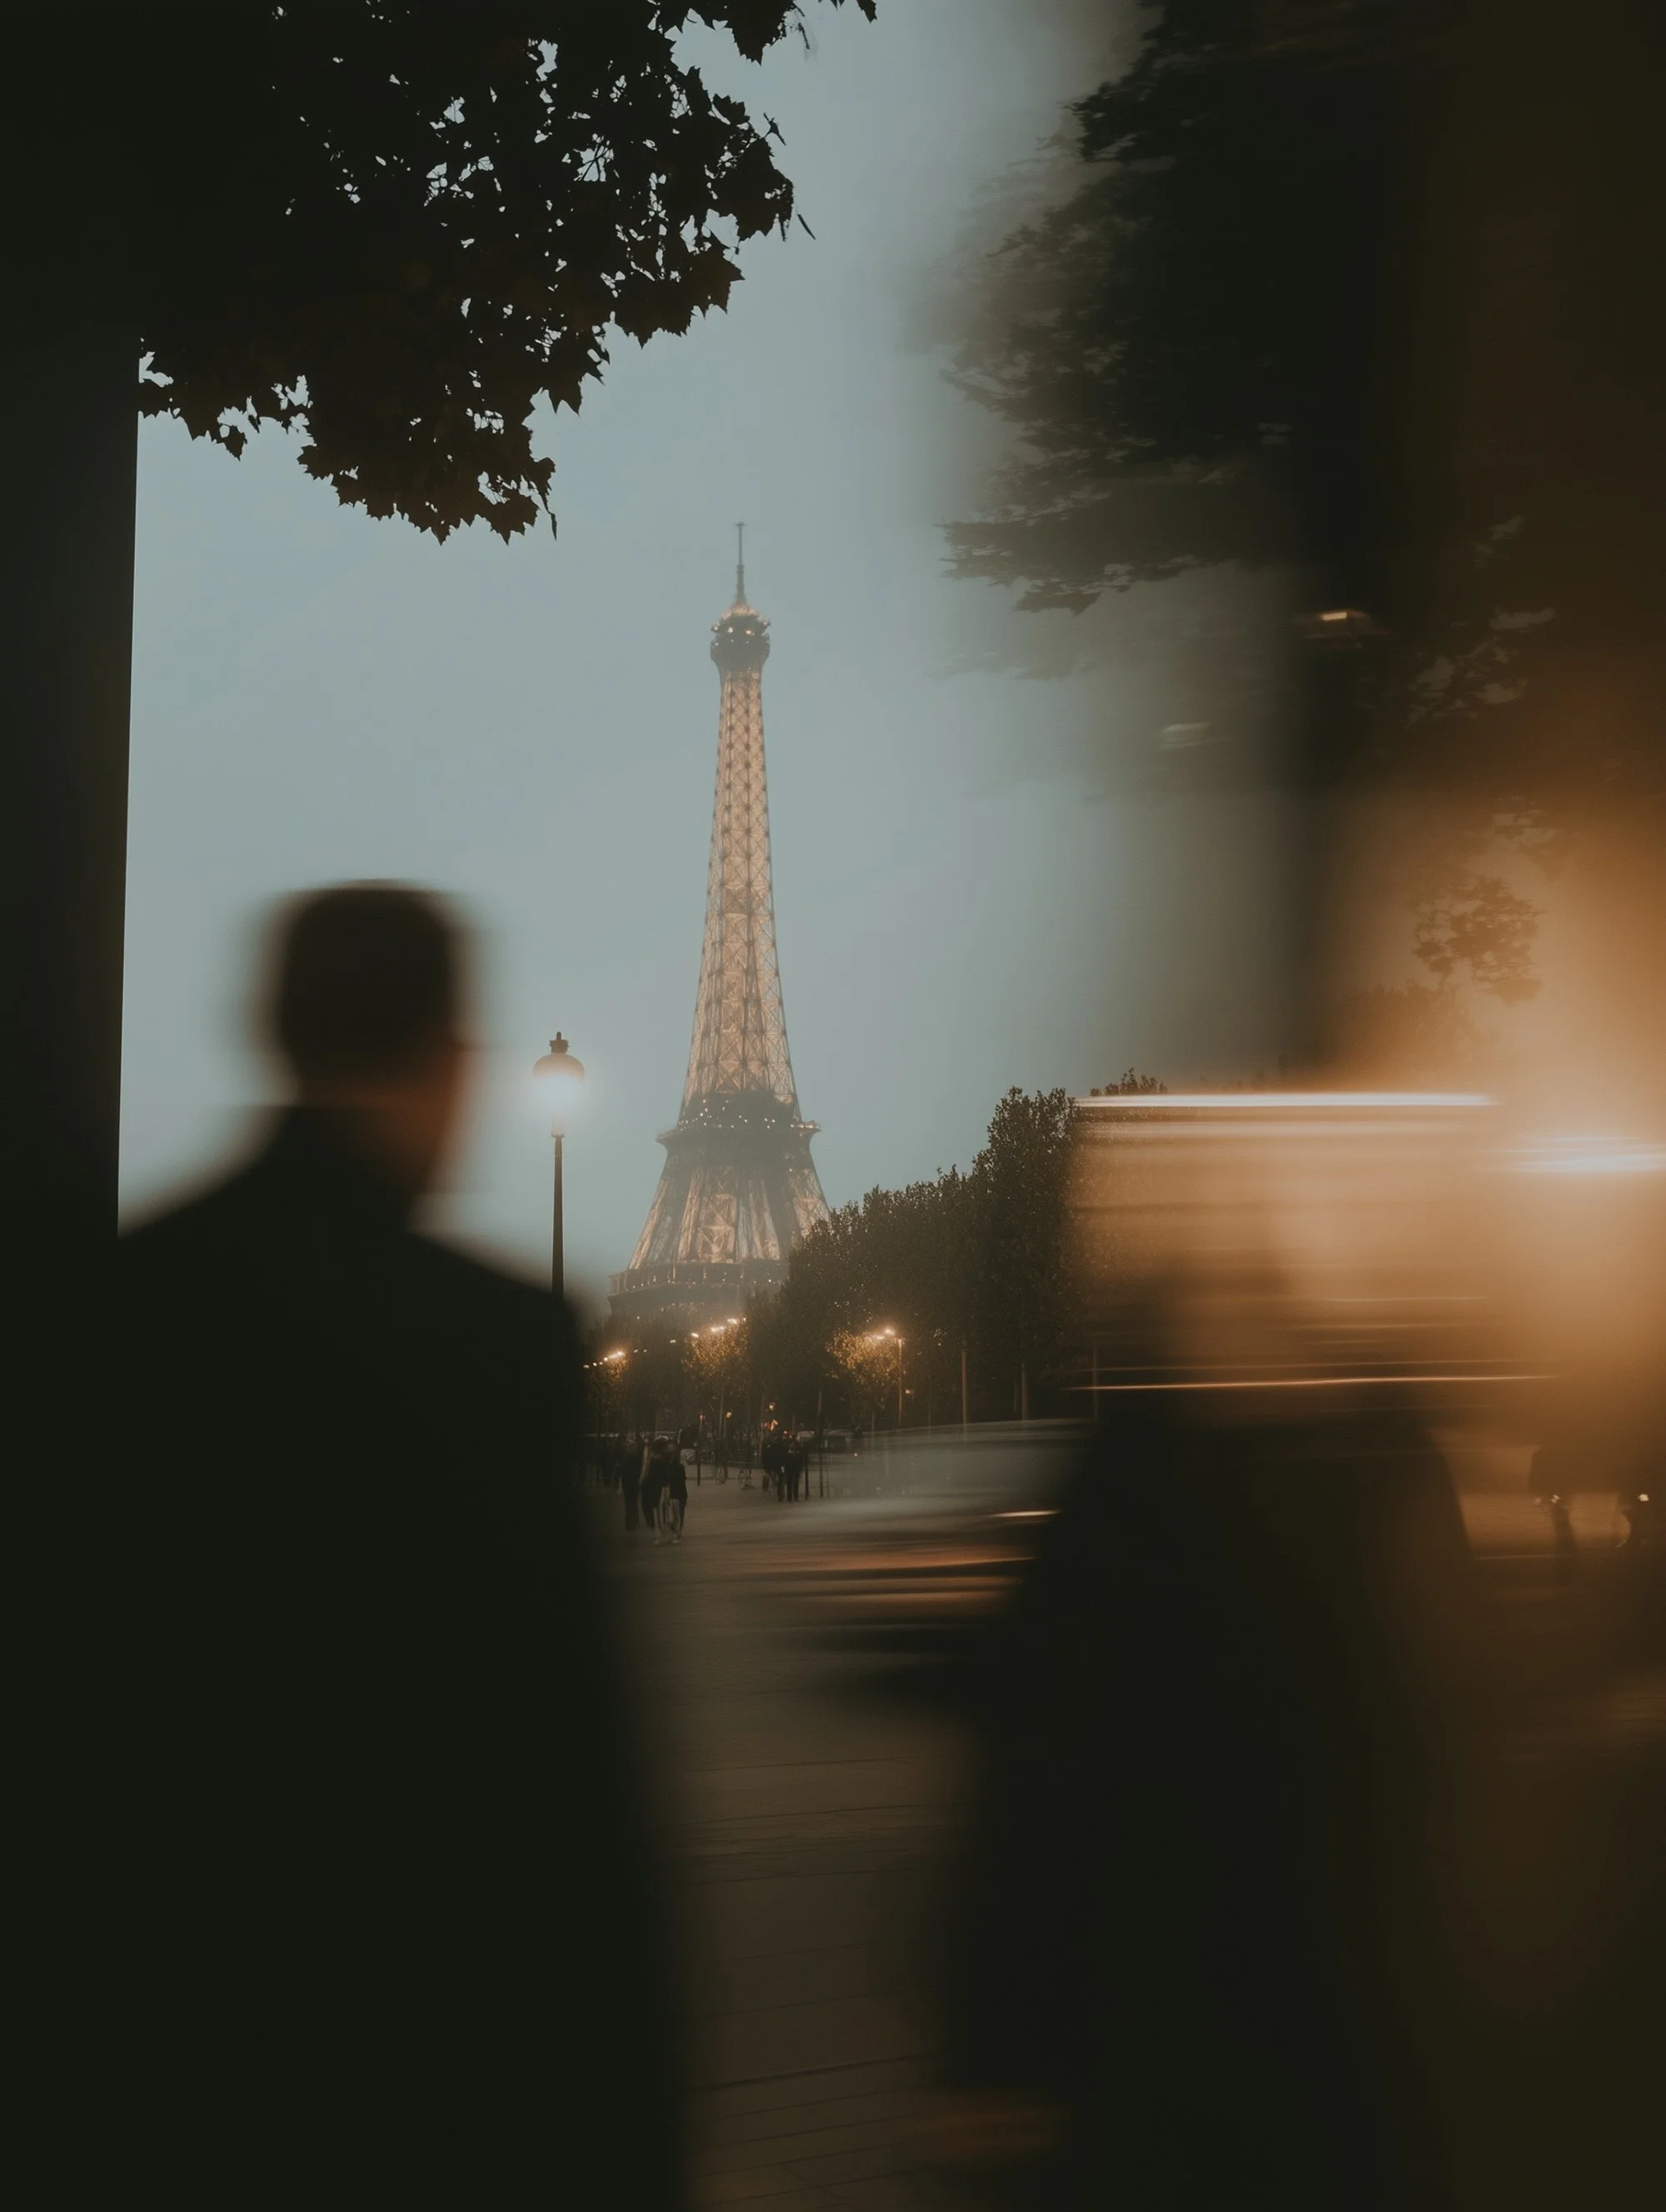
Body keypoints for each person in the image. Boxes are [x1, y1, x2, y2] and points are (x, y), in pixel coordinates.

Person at [7, 885, 680, 2205]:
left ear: (275, 1035)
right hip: (422, 2078)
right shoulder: (496, 1341)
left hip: (159, 2079)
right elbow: (570, 1792)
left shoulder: (111, 1306)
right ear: (446, 1062)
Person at [641, 1436, 669, 1544]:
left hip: (651, 1482)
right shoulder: (664, 1457)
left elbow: (646, 1468)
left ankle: (657, 1529)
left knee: (654, 1506)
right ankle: (661, 1528)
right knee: (661, 1505)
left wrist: (641, 1479)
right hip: (661, 1483)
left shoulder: (651, 1455)